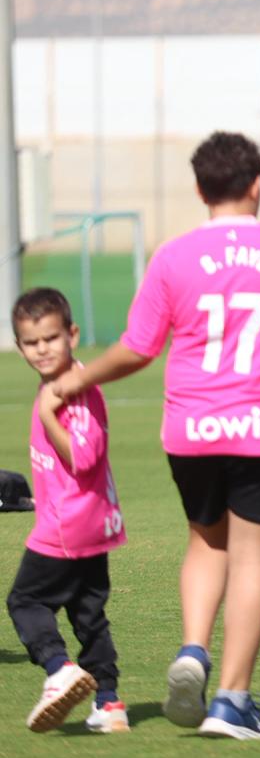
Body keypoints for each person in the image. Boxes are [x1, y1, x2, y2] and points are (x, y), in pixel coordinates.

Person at [53, 131, 260, 740]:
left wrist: (76, 379)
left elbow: (137, 348)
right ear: (257, 184)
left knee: (205, 541)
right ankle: (232, 701)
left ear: (198, 188)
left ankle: (193, 649)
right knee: (253, 557)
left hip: (190, 428)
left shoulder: (173, 255)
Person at [8, 289, 128, 733]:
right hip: (93, 521)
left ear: (72, 335)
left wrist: (48, 415)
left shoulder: (70, 388)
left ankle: (58, 668)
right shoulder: (61, 380)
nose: (41, 350)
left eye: (50, 339)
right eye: (31, 342)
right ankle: (110, 703)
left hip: (67, 523)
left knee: (25, 600)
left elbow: (84, 458)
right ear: (20, 346)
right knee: (86, 614)